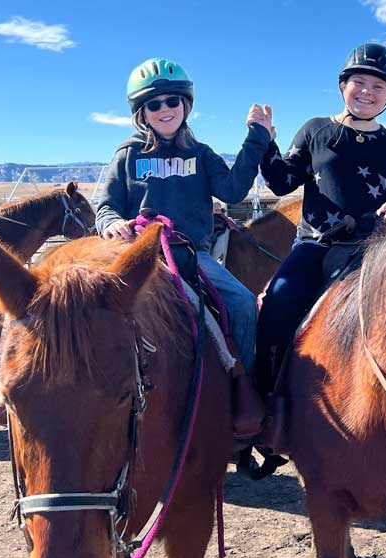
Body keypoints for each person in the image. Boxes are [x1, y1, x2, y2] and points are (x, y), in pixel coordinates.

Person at [254, 42, 386, 398]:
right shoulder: (316, 131)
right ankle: (266, 398)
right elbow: (282, 182)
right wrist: (266, 143)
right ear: (343, 85)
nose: (367, 92)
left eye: (378, 86)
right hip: (318, 243)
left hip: (379, 250)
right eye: (359, 82)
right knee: (277, 302)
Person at [96, 57, 273, 374]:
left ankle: (245, 382)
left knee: (244, 303)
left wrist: (256, 137)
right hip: (138, 256)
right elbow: (107, 206)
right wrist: (111, 224)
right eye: (154, 104)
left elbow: (232, 191)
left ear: (185, 104)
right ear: (142, 113)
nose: (164, 109)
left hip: (191, 255)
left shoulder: (201, 153)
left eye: (172, 100)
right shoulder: (128, 154)